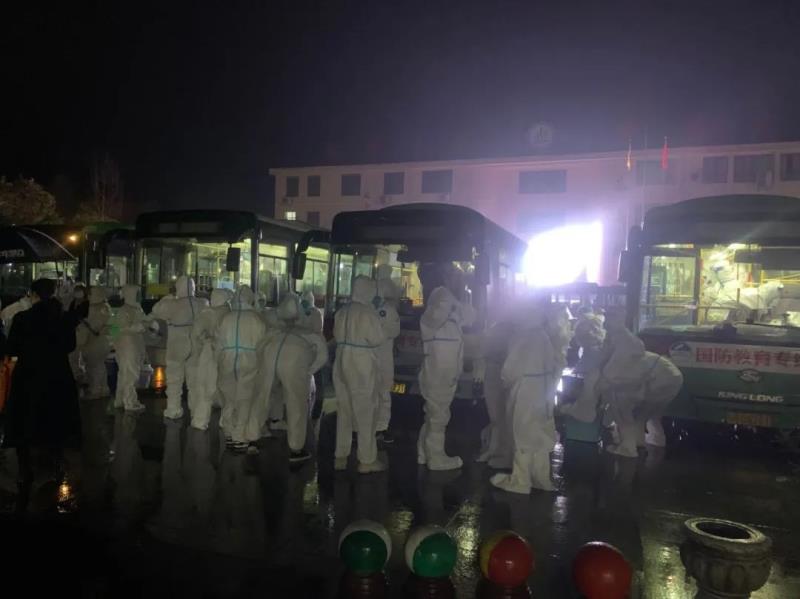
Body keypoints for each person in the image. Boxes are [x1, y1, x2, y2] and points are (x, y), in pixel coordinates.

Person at [2, 278, 81, 484]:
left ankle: (25, 467)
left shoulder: (22, 318)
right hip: (57, 374)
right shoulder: (63, 318)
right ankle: (55, 459)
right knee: (54, 414)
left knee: (26, 415)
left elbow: (12, 348)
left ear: (34, 294)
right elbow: (70, 346)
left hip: (28, 374)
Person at [490, 304, 559, 494]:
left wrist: (505, 382)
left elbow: (510, 369)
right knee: (539, 433)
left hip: (523, 389)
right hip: (542, 389)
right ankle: (541, 478)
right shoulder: (543, 336)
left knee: (521, 432)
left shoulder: (521, 336)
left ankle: (521, 481)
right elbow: (554, 364)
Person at [417, 270, 476, 471]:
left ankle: (424, 452)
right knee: (439, 412)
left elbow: (471, 318)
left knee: (434, 410)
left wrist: (463, 298)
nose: (461, 282)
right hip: (439, 368)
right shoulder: (441, 299)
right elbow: (435, 318)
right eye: (457, 278)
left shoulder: (451, 302)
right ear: (447, 278)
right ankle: (436, 457)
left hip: (445, 367)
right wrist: (453, 301)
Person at [256, 294, 327, 462]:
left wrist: (262, 366)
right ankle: (296, 449)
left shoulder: (274, 331)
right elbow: (322, 356)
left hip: (272, 355)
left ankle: (253, 434)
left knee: (264, 395)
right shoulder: (309, 333)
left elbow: (260, 348)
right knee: (296, 403)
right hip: (294, 362)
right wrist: (309, 370)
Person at [599, 323, 684, 457]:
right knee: (644, 415)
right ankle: (645, 441)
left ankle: (628, 449)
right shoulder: (634, 351)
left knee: (623, 413)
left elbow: (617, 385)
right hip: (674, 377)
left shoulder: (617, 361)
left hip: (655, 378)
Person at [333, 276, 386, 473]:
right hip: (361, 362)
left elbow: (336, 335)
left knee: (344, 409)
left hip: (341, 359)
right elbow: (378, 338)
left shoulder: (342, 312)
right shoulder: (367, 313)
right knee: (365, 411)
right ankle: (367, 460)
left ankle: (341, 455)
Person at [151, 276, 209, 420]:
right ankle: (196, 413)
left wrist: (168, 298)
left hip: (177, 345)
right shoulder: (202, 303)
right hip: (196, 345)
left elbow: (156, 310)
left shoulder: (172, 304)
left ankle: (173, 409)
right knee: (194, 382)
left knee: (174, 380)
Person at [217, 285, 266, 453]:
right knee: (245, 399)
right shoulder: (256, 319)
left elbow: (218, 341)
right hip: (249, 361)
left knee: (228, 398)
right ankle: (239, 437)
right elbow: (263, 343)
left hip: (227, 361)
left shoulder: (226, 318)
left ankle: (229, 433)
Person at [189, 288, 232, 430]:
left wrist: (198, 350)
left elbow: (195, 334)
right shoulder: (230, 313)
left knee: (205, 386)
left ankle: (200, 420)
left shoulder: (207, 314)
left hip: (209, 352)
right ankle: (225, 421)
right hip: (227, 353)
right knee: (226, 388)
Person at [475, 318, 515, 467]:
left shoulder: (515, 331)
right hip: (493, 373)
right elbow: (483, 351)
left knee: (504, 417)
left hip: (505, 375)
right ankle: (494, 450)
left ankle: (502, 452)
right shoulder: (495, 329)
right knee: (496, 416)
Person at [560, 306, 607, 422]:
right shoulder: (599, 349)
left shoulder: (591, 352)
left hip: (588, 407)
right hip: (601, 402)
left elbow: (581, 371)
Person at [374, 266, 401, 444]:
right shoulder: (390, 309)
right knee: (384, 393)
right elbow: (395, 331)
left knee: (367, 393)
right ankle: (381, 429)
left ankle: (363, 428)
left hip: (367, 356)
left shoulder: (366, 307)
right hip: (383, 356)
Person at [111, 285, 147, 412]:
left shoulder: (137, 309)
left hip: (133, 345)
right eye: (137, 294)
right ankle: (130, 402)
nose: (139, 296)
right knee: (130, 375)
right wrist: (136, 328)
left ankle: (120, 400)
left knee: (124, 374)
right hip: (127, 347)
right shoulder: (123, 311)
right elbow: (115, 330)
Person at [77, 287, 112, 399]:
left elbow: (89, 326)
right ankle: (104, 388)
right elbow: (114, 327)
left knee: (93, 367)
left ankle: (95, 390)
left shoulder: (92, 309)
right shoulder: (106, 307)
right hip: (105, 341)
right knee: (100, 366)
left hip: (94, 342)